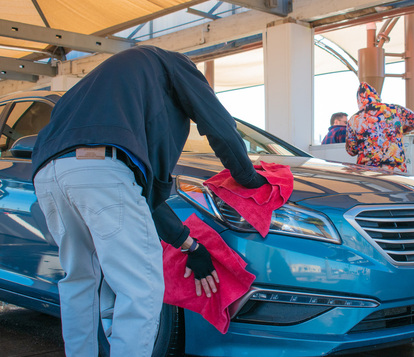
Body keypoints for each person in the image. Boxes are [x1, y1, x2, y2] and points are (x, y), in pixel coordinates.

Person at [31, 45, 267, 357]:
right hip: (101, 167)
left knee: (80, 281)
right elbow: (219, 125)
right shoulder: (176, 65)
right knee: (140, 288)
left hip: (48, 172)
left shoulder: (102, 89)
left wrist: (189, 245)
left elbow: (135, 196)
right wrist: (252, 179)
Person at [346, 82, 414, 172]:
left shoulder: (353, 120)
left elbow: (351, 151)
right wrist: (401, 129)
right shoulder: (395, 110)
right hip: (396, 170)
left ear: (359, 100)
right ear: (376, 96)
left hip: (367, 172)